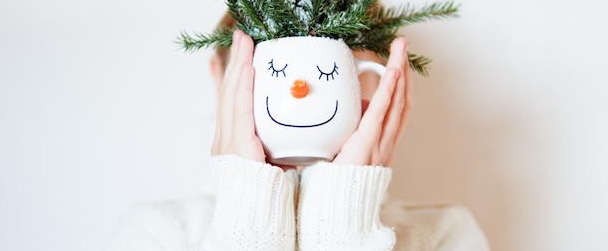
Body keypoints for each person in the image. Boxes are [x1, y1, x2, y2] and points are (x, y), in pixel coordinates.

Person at [107, 15, 490, 251]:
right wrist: (248, 205)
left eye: (333, 75)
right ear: (220, 79)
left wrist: (345, 215)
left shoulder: (444, 236)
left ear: (378, 83)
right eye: (271, 71)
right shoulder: (154, 235)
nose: (302, 92)